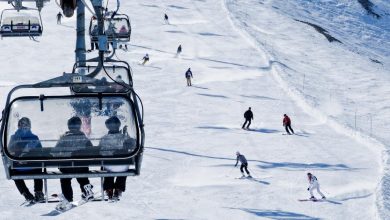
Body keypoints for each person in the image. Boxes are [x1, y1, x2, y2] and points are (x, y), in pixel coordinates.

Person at [54, 116, 94, 211]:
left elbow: (55, 151)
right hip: (81, 166)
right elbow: (92, 150)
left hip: (66, 167)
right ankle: (86, 189)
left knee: (65, 180)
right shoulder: (84, 138)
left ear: (69, 127)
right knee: (83, 177)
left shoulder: (63, 138)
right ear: (79, 126)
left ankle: (68, 197)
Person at [99, 116, 136, 201]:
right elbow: (133, 144)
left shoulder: (104, 139)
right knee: (124, 165)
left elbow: (100, 151)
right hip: (123, 166)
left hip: (109, 167)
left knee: (106, 165)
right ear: (118, 125)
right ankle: (119, 188)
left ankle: (109, 189)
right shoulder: (124, 137)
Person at [8, 117, 44, 203]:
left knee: (13, 170)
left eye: (26, 125)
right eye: (23, 125)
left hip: (22, 167)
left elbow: (9, 150)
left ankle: (29, 192)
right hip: (25, 167)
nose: (24, 127)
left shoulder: (16, 137)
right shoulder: (16, 138)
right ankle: (33, 192)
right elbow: (41, 151)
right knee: (38, 169)